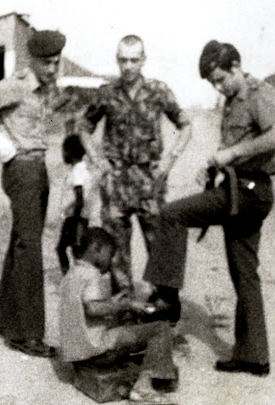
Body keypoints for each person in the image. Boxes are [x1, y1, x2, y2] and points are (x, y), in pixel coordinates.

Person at [142, 41, 275, 376]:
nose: (218, 87)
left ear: (236, 66)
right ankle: (254, 356)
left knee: (172, 213)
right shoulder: (232, 98)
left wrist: (234, 152)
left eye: (221, 79)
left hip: (249, 192)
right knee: (244, 274)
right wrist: (215, 166)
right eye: (213, 83)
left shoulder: (259, 93)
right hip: (239, 188)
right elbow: (237, 150)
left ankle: (166, 299)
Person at [0, 30, 70, 358]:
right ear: (33, 60)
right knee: (30, 250)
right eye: (47, 63)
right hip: (21, 169)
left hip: (36, 167)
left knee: (21, 244)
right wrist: (3, 147)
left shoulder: (43, 87)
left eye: (56, 63)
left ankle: (11, 327)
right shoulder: (17, 84)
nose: (53, 69)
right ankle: (29, 334)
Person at [78, 35, 192, 294]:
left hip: (149, 181)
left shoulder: (158, 91)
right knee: (116, 251)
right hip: (116, 182)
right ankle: (124, 302)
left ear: (143, 60)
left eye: (133, 60)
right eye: (123, 60)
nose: (127, 66)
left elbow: (185, 126)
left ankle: (164, 305)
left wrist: (168, 161)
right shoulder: (107, 93)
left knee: (159, 246)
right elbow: (83, 127)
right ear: (117, 60)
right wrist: (98, 161)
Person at [59, 227, 178, 404]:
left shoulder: (72, 274)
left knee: (125, 328)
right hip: (96, 351)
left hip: (76, 352)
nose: (111, 260)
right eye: (110, 254)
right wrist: (126, 305)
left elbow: (82, 309)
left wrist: (113, 302)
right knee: (160, 329)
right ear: (96, 248)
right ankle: (144, 387)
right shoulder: (91, 274)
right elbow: (93, 308)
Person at [56, 134, 98, 275]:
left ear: (69, 152)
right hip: (81, 217)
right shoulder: (84, 169)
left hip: (75, 218)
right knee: (76, 250)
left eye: (63, 151)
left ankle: (69, 278)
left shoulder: (77, 172)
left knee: (63, 249)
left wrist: (74, 221)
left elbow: (79, 198)